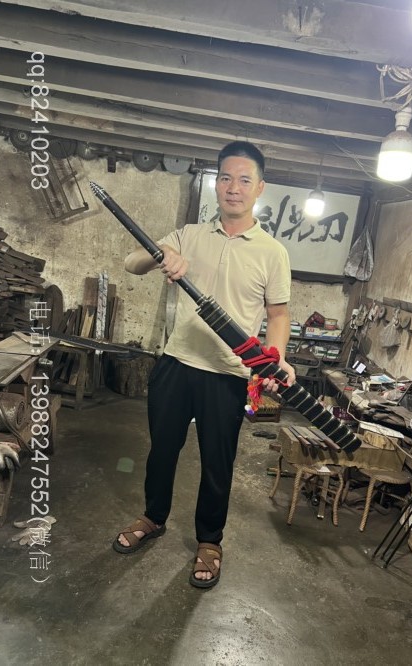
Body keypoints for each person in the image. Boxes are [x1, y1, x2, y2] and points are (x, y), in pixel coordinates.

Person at [113, 141, 295, 589]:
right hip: (177, 362)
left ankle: (210, 541)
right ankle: (153, 517)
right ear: (217, 183)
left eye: (244, 180)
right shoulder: (189, 234)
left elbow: (278, 315)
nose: (234, 187)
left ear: (259, 188)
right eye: (226, 178)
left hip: (228, 374)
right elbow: (131, 262)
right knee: (162, 450)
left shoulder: (272, 252)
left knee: (218, 462)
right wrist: (161, 255)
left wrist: (275, 359)